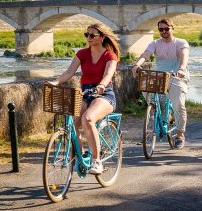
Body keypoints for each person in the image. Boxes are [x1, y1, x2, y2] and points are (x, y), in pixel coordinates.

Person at [48, 23, 120, 175]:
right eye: (86, 35)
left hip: (104, 94)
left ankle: (96, 160)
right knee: (72, 123)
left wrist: (101, 85)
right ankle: (80, 156)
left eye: (92, 35)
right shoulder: (82, 54)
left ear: (102, 37)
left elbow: (108, 75)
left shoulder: (110, 56)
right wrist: (56, 82)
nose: (88, 38)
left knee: (87, 118)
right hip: (86, 94)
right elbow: (69, 73)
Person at [132, 18, 190, 149]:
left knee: (178, 105)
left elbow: (184, 57)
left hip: (177, 76)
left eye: (166, 29)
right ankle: (155, 110)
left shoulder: (180, 42)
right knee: (145, 86)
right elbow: (145, 54)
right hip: (160, 76)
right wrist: (137, 64)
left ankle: (180, 135)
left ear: (172, 29)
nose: (163, 31)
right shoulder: (155, 43)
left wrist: (181, 69)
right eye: (161, 29)